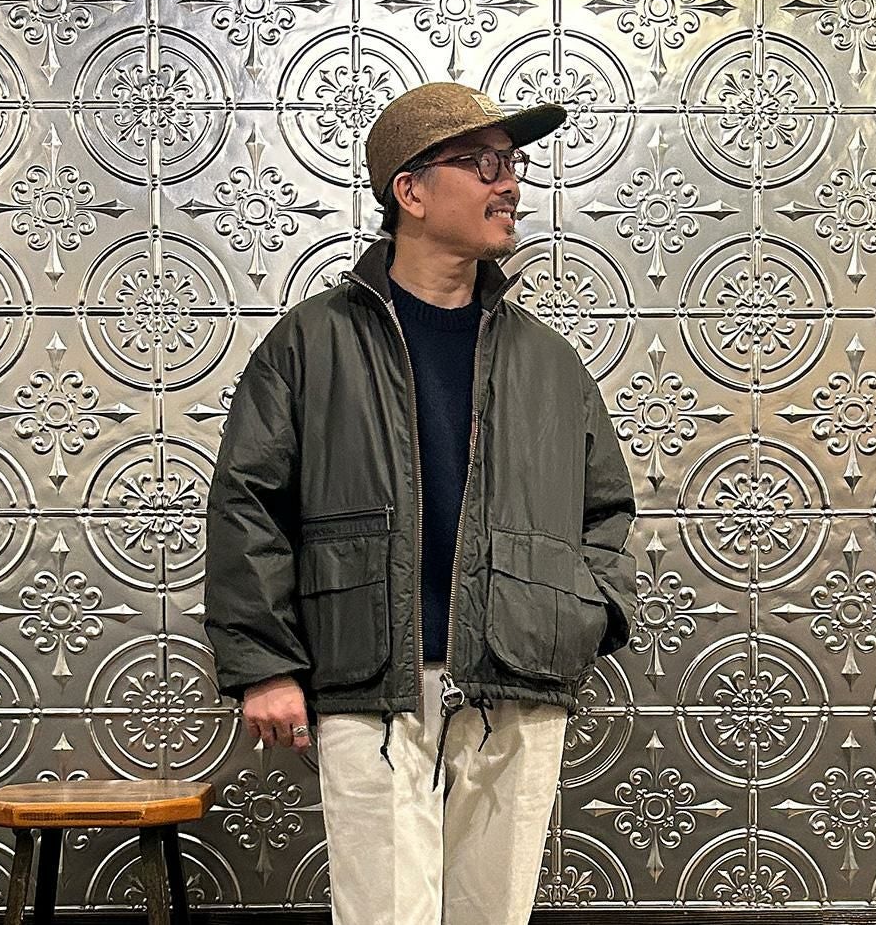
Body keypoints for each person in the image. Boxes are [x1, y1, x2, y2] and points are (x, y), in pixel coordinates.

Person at [203, 81, 638, 925]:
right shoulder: (311, 344)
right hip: (370, 681)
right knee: (385, 915)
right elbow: (248, 504)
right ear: (410, 190)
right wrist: (264, 665)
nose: (508, 184)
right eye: (482, 164)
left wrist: (580, 618)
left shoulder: (548, 362)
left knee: (493, 916)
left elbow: (605, 511)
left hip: (515, 678)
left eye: (511, 164)